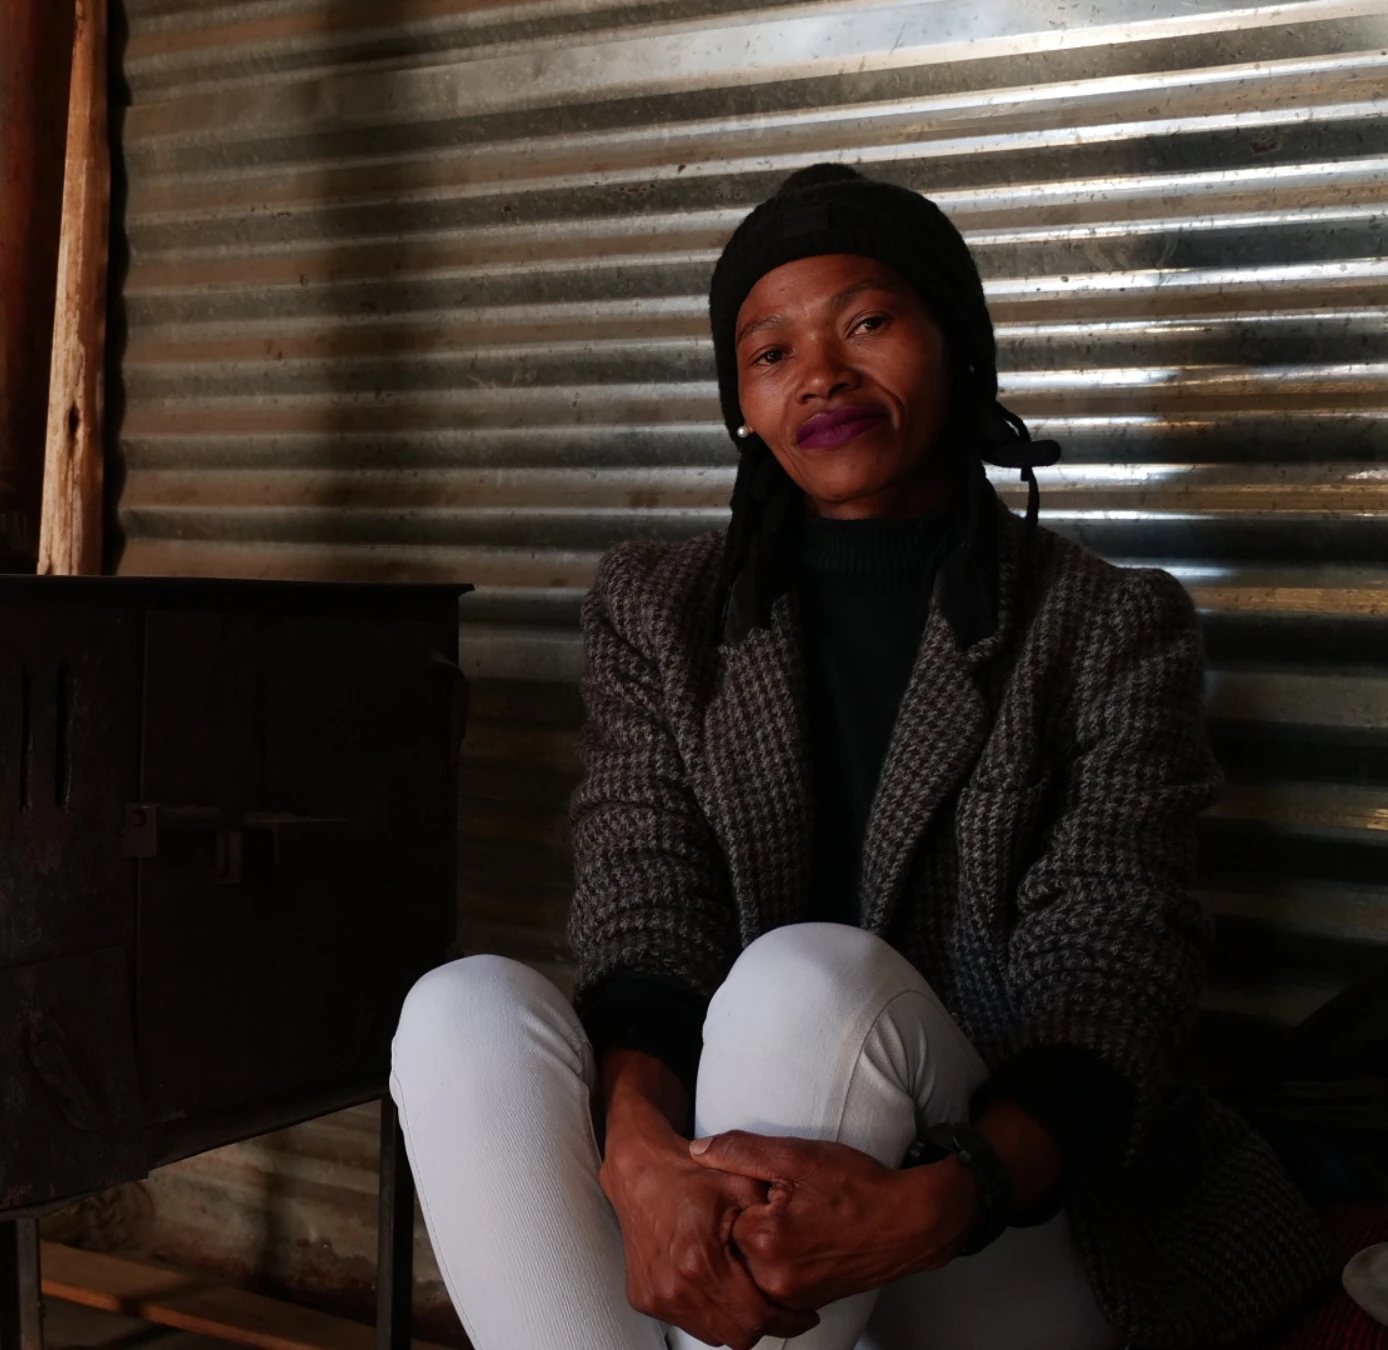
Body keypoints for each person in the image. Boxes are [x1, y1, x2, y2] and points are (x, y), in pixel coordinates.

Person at [387, 166, 1332, 1350]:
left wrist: (937, 1202)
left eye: (868, 322)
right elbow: (648, 932)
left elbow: (1112, 987)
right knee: (458, 1007)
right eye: (771, 351)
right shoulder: (659, 611)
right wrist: (637, 1160)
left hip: (996, 1217)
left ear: (958, 345)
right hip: (747, 1211)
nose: (821, 374)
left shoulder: (1105, 626)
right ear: (741, 403)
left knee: (805, 984)